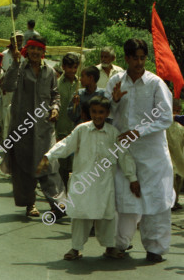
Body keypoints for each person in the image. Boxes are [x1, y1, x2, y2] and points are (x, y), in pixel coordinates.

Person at [37, 96, 140, 260]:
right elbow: (66, 145)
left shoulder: (113, 133)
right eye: (94, 112)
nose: (97, 116)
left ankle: (109, 247)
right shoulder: (81, 130)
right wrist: (48, 156)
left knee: (107, 216)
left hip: (104, 183)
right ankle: (75, 248)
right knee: (80, 216)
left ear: (107, 113)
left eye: (101, 112)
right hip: (83, 182)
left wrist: (132, 178)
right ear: (89, 112)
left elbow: (124, 156)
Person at [105, 38, 174, 263]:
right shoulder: (116, 81)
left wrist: (138, 131)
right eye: (134, 57)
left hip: (152, 153)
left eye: (142, 57)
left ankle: (155, 248)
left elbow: (165, 117)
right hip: (124, 152)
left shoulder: (155, 83)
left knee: (155, 200)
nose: (139, 62)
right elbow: (104, 113)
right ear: (126, 58)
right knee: (123, 199)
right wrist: (113, 102)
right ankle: (118, 244)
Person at [2, 37, 67, 218]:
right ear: (27, 51)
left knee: (49, 164)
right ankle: (30, 204)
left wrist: (55, 109)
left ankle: (59, 204)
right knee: (25, 167)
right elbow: (7, 85)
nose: (35, 53)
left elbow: (55, 95)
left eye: (39, 50)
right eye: (32, 49)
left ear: (43, 52)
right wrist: (15, 64)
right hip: (22, 127)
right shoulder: (20, 69)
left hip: (45, 127)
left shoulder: (50, 72)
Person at [56, 53, 80, 188]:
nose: (72, 70)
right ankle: (61, 201)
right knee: (62, 168)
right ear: (64, 67)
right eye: (69, 67)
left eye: (75, 67)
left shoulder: (81, 83)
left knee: (76, 167)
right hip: (61, 130)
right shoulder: (57, 84)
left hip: (77, 131)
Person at [166, 99, 184, 211]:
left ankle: (176, 200)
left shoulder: (181, 126)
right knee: (171, 177)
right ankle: (170, 202)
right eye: (173, 110)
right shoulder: (165, 125)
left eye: (178, 111)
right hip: (168, 155)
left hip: (179, 155)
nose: (175, 113)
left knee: (179, 178)